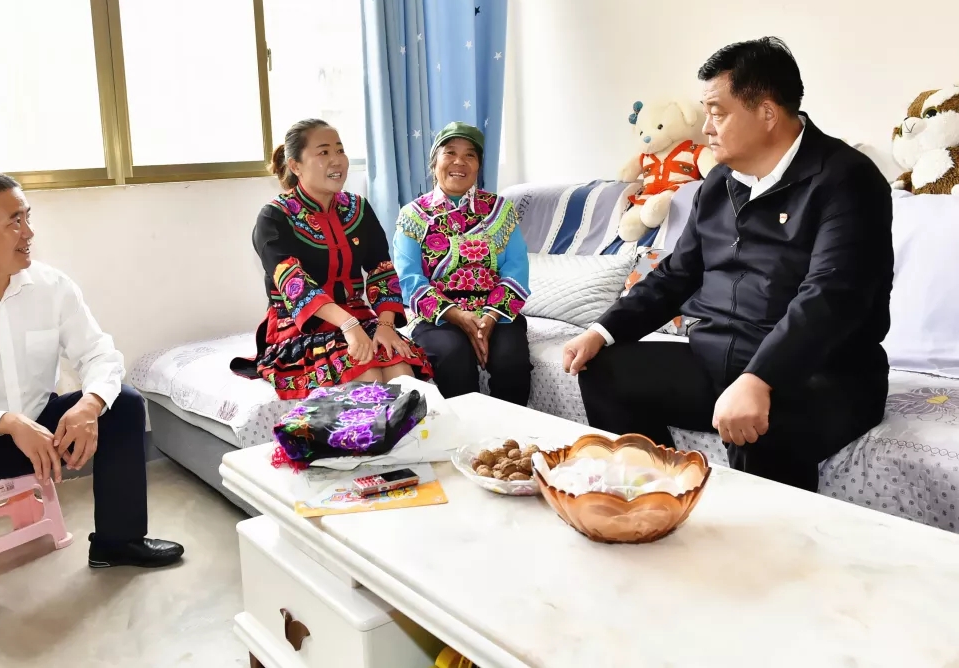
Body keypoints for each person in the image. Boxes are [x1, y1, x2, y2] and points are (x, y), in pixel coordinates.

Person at [562, 37, 893, 492]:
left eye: (717, 113)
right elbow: (678, 273)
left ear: (767, 113)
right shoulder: (718, 182)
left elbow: (832, 296)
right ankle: (663, 497)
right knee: (605, 370)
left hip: (822, 372)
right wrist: (601, 331)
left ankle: (770, 538)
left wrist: (761, 377)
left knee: (760, 426)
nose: (707, 128)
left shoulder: (847, 179)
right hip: (718, 359)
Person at [0, 172, 184, 653]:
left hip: (40, 429)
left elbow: (100, 355)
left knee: (123, 404)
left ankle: (117, 543)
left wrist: (89, 404)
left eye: (28, 218)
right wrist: (4, 422)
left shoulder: (51, 286)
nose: (29, 232)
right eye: (15, 221)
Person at [248, 118, 433, 399]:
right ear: (295, 166)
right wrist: (348, 325)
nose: (336, 160)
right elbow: (294, 284)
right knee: (366, 374)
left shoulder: (358, 208)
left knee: (402, 373)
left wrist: (385, 326)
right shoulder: (274, 217)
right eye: (323, 152)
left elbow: (381, 270)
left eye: (340, 150)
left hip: (358, 318)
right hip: (299, 327)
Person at [394, 122, 533, 406]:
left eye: (470, 155)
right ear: (434, 163)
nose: (460, 161)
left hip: (496, 313)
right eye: (450, 153)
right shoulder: (413, 215)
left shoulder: (500, 209)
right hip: (437, 317)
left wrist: (489, 319)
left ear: (479, 166)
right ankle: (467, 432)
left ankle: (510, 432)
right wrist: (457, 316)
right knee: (453, 356)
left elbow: (516, 268)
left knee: (511, 361)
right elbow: (409, 279)